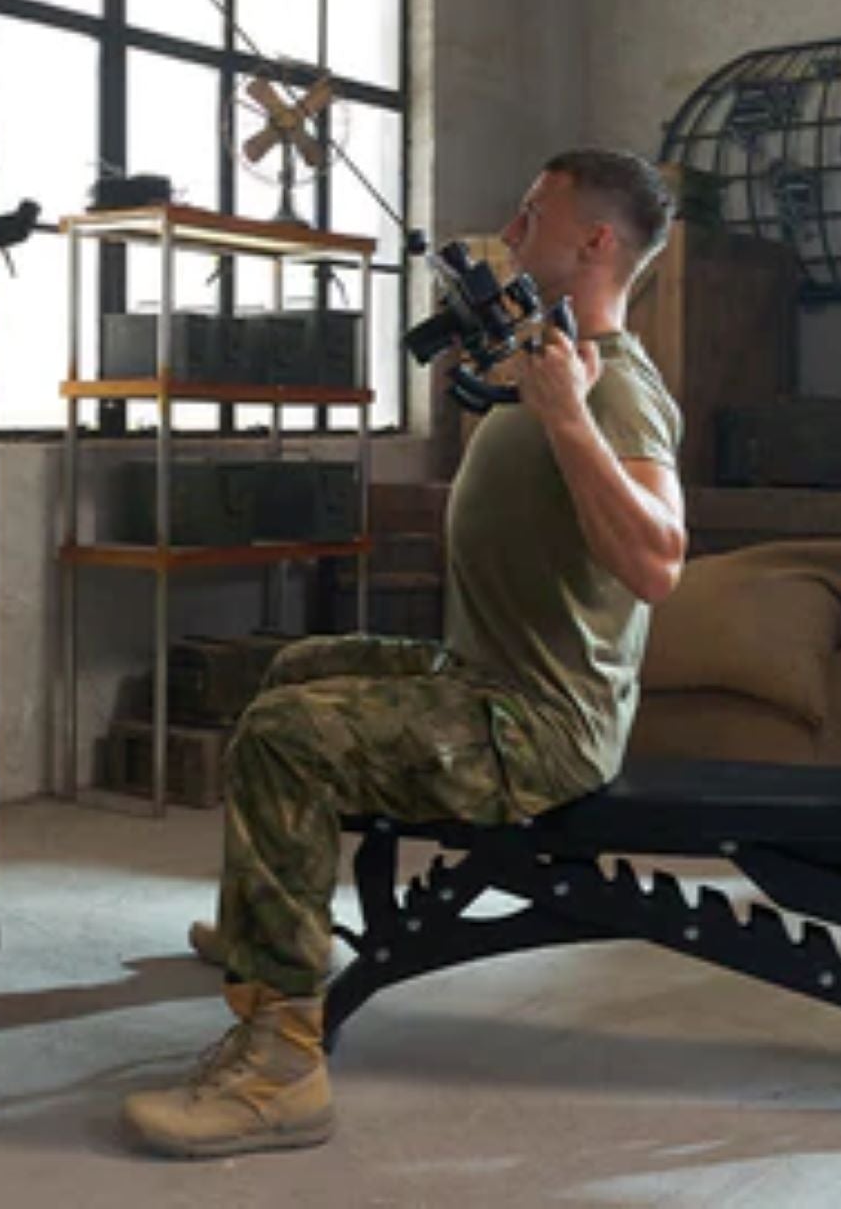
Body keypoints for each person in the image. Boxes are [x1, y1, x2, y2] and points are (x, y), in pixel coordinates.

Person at [122, 148, 688, 1158]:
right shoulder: (553, 361)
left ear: (597, 242)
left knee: (293, 739)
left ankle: (282, 1070)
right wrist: (533, 386)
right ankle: (262, 937)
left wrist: (564, 415)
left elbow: (657, 562)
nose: (511, 235)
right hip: (480, 674)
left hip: (538, 724)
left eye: (532, 215)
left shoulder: (618, 390)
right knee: (294, 673)